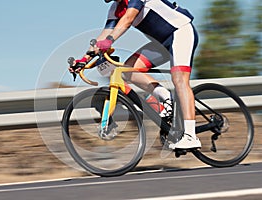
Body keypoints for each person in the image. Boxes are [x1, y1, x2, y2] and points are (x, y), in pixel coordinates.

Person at [69, 0, 201, 150]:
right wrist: (83, 60)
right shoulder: (115, 9)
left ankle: (191, 136)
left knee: (179, 80)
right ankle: (166, 97)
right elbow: (102, 36)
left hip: (180, 32)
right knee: (128, 70)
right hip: (159, 43)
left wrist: (110, 41)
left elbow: (128, 19)